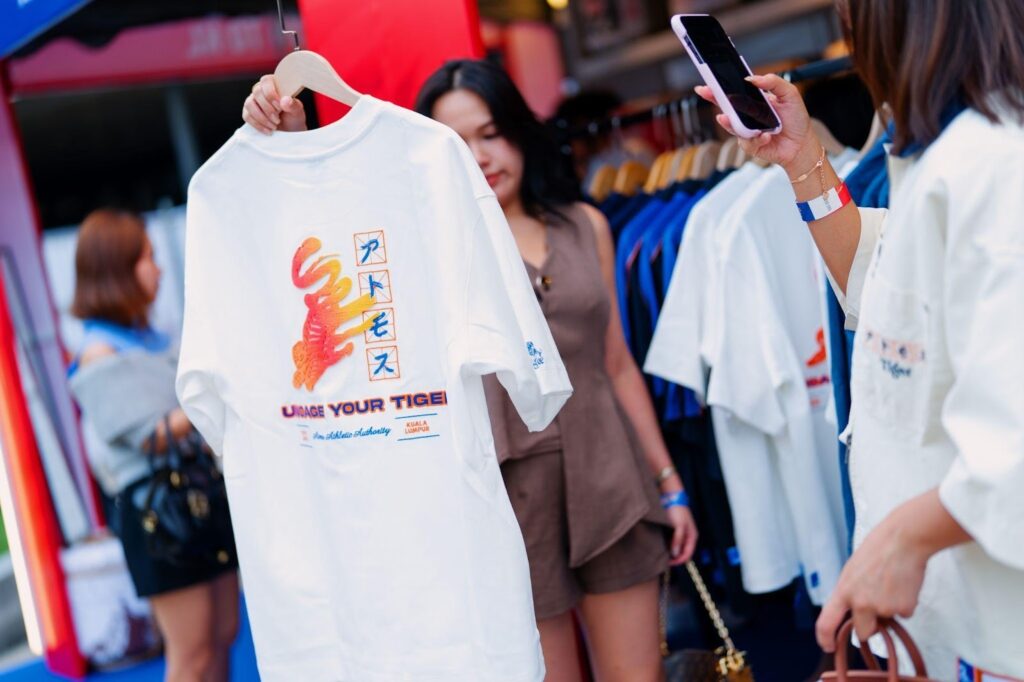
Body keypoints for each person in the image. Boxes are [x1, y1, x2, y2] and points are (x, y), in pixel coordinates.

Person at [243, 59, 698, 682]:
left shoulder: (584, 225)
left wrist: (668, 483)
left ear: (519, 131)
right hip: (505, 499)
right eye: (458, 142)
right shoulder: (417, 248)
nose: (481, 156)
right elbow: (326, 245)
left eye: (492, 133)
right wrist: (294, 144)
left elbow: (615, 364)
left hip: (610, 478)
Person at [697, 0, 1024, 677]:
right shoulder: (950, 154)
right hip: (955, 617)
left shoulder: (992, 163)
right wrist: (801, 159)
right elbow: (878, 290)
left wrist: (901, 539)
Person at [68, 209, 241, 682]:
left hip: (196, 496)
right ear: (116, 269)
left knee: (222, 634)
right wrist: (215, 395)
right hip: (158, 512)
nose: (159, 269)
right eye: (147, 258)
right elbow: (149, 435)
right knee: (192, 652)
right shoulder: (99, 352)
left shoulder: (149, 336)